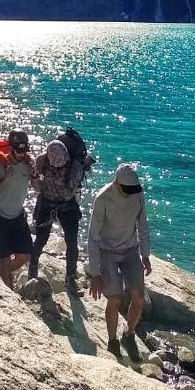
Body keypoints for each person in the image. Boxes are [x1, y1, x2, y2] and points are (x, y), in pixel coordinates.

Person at [87, 163, 151, 361]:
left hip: (130, 250)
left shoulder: (137, 195)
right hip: (107, 251)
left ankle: (129, 334)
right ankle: (112, 340)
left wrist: (145, 255)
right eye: (128, 189)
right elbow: (93, 237)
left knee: (138, 296)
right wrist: (95, 273)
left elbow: (142, 225)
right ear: (116, 183)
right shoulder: (103, 198)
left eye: (134, 189)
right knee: (115, 299)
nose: (131, 193)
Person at [0, 129, 40, 289]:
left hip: (17, 215)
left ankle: (1, 276)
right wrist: (6, 180)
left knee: (23, 257)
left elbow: (38, 189)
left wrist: (34, 175)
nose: (22, 154)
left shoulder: (29, 163)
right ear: (11, 147)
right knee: (5, 259)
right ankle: (8, 290)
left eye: (24, 150)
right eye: (18, 150)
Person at [28, 139, 84, 295]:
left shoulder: (75, 167)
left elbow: (68, 193)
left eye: (60, 165)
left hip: (67, 206)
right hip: (46, 202)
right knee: (41, 238)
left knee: (72, 242)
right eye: (53, 165)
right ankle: (32, 269)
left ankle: (70, 280)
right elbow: (37, 186)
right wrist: (34, 178)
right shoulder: (42, 160)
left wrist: (47, 184)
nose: (56, 167)